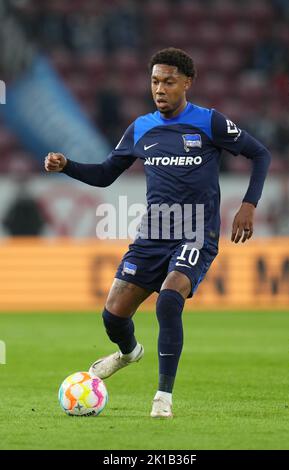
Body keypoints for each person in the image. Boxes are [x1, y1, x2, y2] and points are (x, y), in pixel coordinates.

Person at [45, 48, 271, 418]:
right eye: (154, 81)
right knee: (113, 316)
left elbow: (260, 154)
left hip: (197, 231)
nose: (160, 89)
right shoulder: (141, 128)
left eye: (168, 81)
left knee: (168, 299)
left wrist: (249, 204)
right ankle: (128, 353)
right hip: (153, 234)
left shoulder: (210, 123)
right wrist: (66, 165)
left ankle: (163, 396)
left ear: (187, 83)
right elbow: (104, 175)